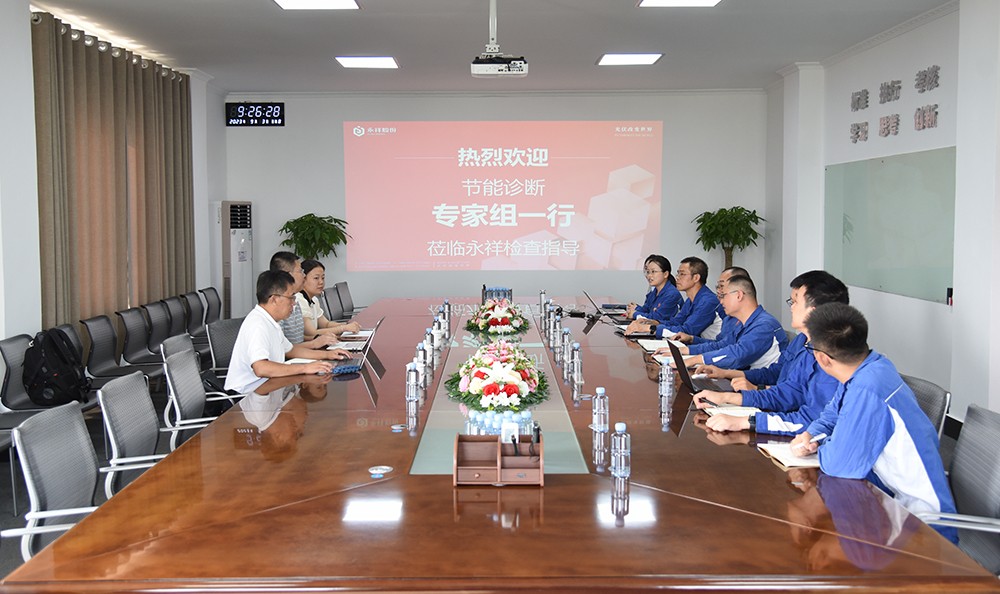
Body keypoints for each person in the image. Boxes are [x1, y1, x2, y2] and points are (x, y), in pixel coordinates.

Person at [789, 302, 958, 543]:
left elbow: (840, 464)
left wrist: (819, 444)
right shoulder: (868, 366)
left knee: (841, 540)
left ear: (822, 358)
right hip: (886, 499)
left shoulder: (868, 387)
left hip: (921, 526)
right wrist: (812, 434)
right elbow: (831, 414)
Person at [696, 270, 848, 435]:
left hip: (802, 434)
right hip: (783, 417)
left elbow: (812, 420)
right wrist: (727, 397)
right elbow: (788, 391)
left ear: (814, 311)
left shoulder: (833, 357)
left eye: (795, 302)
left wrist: (746, 421)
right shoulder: (805, 341)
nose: (791, 308)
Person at [225, 270, 351, 395]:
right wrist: (305, 368)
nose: (294, 303)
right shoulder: (258, 324)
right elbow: (261, 368)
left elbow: (291, 350)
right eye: (291, 297)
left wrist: (328, 355)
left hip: (268, 388)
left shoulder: (271, 321)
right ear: (274, 299)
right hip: (245, 396)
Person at [663, 275, 787, 369]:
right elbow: (721, 345)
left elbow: (737, 355)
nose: (720, 301)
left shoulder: (763, 325)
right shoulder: (742, 322)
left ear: (738, 295)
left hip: (762, 387)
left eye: (723, 296)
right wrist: (686, 350)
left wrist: (695, 360)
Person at [625, 256, 716, 339]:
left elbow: (687, 331)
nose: (677, 277)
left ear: (696, 278)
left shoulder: (708, 301)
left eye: (682, 274)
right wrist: (655, 322)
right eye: (678, 273)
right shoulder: (690, 300)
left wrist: (650, 328)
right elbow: (676, 322)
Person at [269, 251, 339, 349]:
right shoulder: (278, 307)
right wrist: (315, 343)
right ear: (287, 275)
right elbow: (285, 350)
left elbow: (297, 340)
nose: (304, 276)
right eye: (300, 271)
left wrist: (319, 338)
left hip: (301, 354)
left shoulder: (295, 301)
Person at [673, 266, 750, 345]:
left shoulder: (754, 323)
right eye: (718, 286)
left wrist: (691, 348)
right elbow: (720, 344)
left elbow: (731, 350)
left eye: (722, 286)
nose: (719, 291)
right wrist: (691, 339)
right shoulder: (729, 319)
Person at [298, 259, 361, 340]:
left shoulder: (314, 299)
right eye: (316, 278)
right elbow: (311, 333)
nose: (321, 282)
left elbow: (326, 324)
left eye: (323, 278)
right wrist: (342, 328)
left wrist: (346, 325)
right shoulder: (299, 299)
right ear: (303, 279)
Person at [625, 254, 681, 324]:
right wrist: (635, 308)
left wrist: (634, 314)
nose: (649, 275)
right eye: (648, 272)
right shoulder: (654, 292)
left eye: (653, 272)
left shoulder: (672, 294)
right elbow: (647, 310)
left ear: (665, 274)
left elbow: (657, 318)